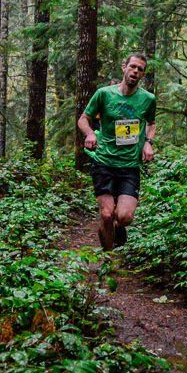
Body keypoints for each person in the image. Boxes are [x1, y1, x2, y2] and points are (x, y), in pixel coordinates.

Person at [77, 53, 156, 250]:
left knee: (125, 216)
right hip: (104, 161)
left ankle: (115, 227)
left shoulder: (148, 99)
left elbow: (151, 123)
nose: (135, 72)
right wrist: (89, 134)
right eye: (133, 67)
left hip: (129, 166)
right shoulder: (104, 94)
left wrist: (148, 142)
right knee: (106, 213)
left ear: (143, 74)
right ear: (124, 67)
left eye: (140, 69)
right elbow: (83, 119)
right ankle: (109, 257)